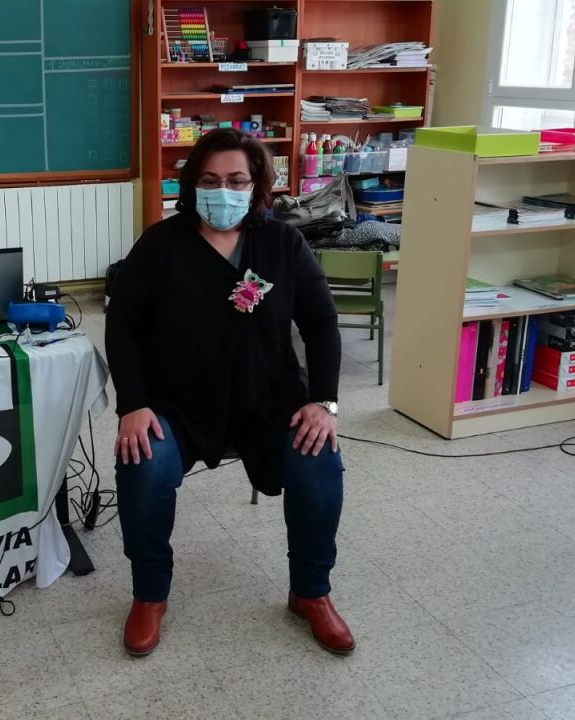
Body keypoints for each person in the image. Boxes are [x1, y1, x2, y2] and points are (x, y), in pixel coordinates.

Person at [105, 128, 352, 657]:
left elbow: (321, 323)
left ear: (256, 184)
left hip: (271, 400)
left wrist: (324, 402)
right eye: (211, 180)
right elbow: (122, 326)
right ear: (192, 185)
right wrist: (133, 404)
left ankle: (311, 591)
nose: (224, 191)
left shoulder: (282, 243)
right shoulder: (161, 245)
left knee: (320, 460)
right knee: (141, 463)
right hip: (179, 403)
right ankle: (150, 594)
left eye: (237, 180)